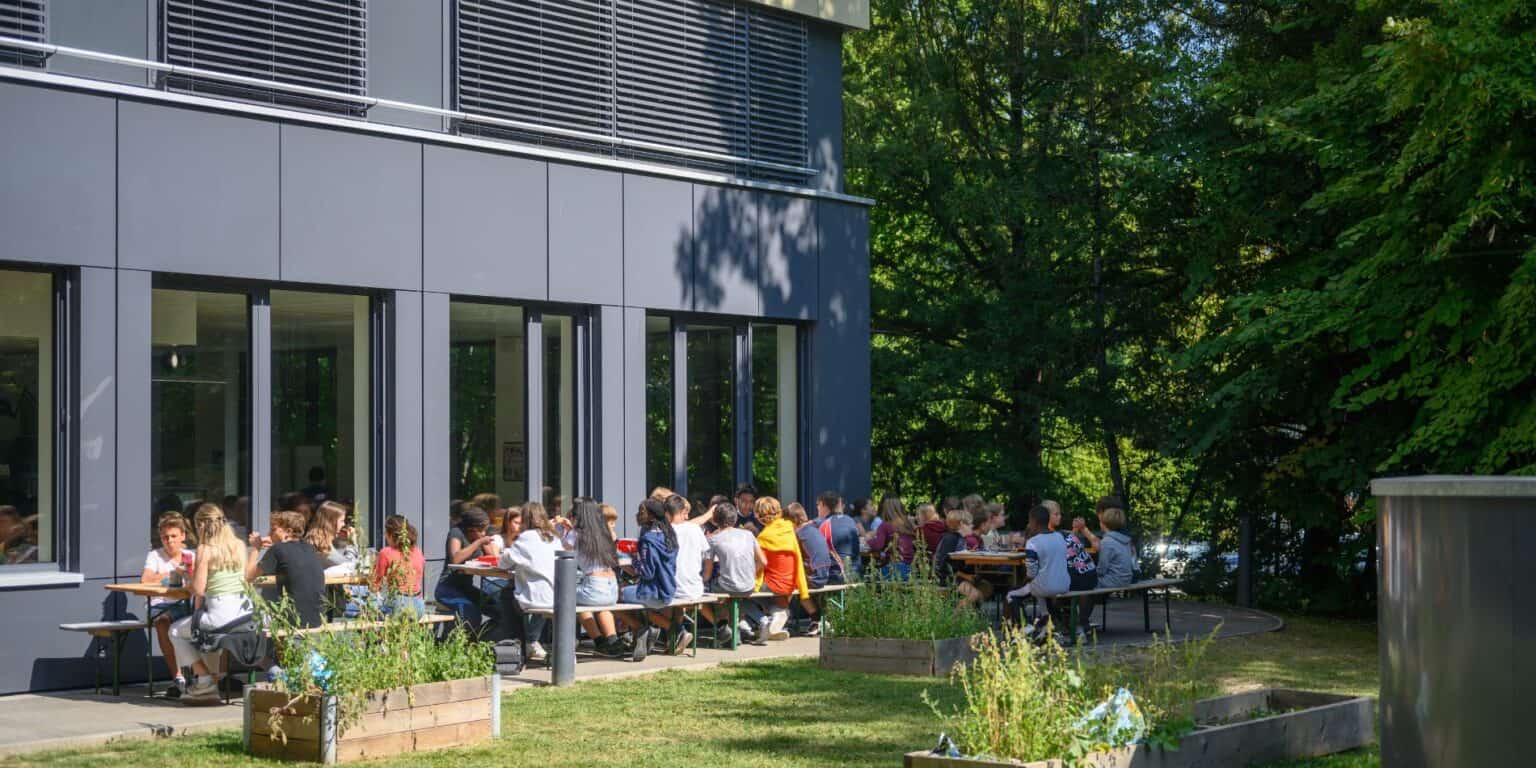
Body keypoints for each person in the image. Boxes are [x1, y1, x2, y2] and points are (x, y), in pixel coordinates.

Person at [168, 504, 250, 702]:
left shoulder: (205, 549)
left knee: (176, 631)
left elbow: (198, 589)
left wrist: (186, 574)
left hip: (219, 614)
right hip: (244, 613)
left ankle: (204, 680)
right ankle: (209, 680)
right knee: (207, 634)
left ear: (201, 525)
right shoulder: (238, 545)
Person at [616, 498, 678, 661]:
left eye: (641, 512)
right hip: (668, 591)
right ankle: (646, 631)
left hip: (652, 593)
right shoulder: (669, 535)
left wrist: (634, 557)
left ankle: (640, 629)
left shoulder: (648, 539)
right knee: (630, 593)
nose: (637, 515)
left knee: (615, 597)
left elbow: (647, 572)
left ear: (651, 516)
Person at [142, 512, 196, 697]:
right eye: (165, 537)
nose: (169, 541)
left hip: (185, 603)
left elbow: (198, 581)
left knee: (202, 621)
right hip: (161, 604)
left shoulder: (190, 555)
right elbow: (145, 580)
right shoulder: (155, 556)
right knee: (162, 621)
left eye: (173, 536)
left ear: (183, 536)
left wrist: (187, 574)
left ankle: (202, 676)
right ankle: (177, 676)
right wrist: (172, 573)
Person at [501, 502, 561, 663]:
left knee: (507, 597)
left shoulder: (526, 538)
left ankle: (519, 646)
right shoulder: (554, 537)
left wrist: (507, 552)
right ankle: (531, 641)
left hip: (536, 598)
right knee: (538, 602)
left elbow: (503, 564)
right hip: (557, 596)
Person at [247, 510, 326, 628]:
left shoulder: (278, 550)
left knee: (247, 621)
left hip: (292, 621)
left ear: (288, 532)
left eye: (273, 530)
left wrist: (255, 548)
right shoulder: (309, 548)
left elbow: (249, 575)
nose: (269, 533)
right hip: (317, 619)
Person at [701, 502, 766, 643]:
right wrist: (751, 573)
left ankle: (725, 629)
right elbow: (763, 561)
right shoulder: (748, 535)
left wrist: (702, 582)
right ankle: (736, 631)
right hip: (749, 584)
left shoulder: (712, 540)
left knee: (714, 592)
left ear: (716, 520)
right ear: (735, 518)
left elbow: (707, 572)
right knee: (732, 593)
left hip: (728, 586)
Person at [566, 500, 624, 657]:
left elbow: (562, 552)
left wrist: (558, 530)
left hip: (595, 587)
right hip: (612, 589)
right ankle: (613, 641)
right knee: (601, 604)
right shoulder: (605, 532)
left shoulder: (575, 534)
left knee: (568, 598)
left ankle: (599, 642)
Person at [1006, 505, 1071, 640]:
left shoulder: (1033, 542)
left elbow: (1032, 572)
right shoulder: (1060, 537)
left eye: (1029, 521)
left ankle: (1025, 626)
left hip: (1045, 585)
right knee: (1040, 590)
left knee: (1012, 594)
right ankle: (1048, 626)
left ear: (1033, 522)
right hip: (1064, 584)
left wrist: (1024, 581)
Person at [435, 507, 498, 633]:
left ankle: (482, 639)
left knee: (497, 608)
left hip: (466, 588)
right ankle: (457, 643)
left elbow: (493, 558)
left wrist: (486, 543)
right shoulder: (456, 532)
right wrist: (479, 542)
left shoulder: (478, 538)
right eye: (481, 530)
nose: (484, 533)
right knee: (472, 614)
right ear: (471, 528)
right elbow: (455, 558)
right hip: (448, 588)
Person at [754, 497, 808, 641]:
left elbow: (760, 565)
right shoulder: (789, 528)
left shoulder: (763, 537)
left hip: (774, 583)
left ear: (759, 517)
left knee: (743, 592)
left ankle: (766, 620)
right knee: (777, 597)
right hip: (791, 581)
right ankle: (777, 618)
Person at [787, 503, 837, 636]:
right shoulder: (813, 529)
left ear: (793, 521)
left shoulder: (799, 534)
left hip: (816, 577)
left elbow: (794, 557)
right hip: (826, 574)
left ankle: (784, 619)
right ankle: (817, 619)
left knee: (789, 584)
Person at [932, 509, 988, 610]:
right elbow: (943, 565)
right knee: (974, 595)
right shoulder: (951, 539)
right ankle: (953, 621)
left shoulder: (959, 538)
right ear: (962, 524)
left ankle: (968, 619)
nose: (972, 527)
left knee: (984, 588)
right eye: (970, 524)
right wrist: (966, 576)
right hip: (945, 578)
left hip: (954, 576)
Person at [370, 515, 426, 616]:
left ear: (390, 534)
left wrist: (374, 565)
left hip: (399, 606)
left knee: (355, 605)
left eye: (385, 532)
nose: (384, 535)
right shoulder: (418, 551)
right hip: (419, 607)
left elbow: (375, 585)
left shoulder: (386, 552)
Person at [1090, 502, 1138, 589]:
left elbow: (1102, 569)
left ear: (1103, 523)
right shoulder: (1125, 539)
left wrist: (1091, 574)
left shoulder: (1107, 541)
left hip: (1113, 581)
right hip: (1127, 580)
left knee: (1084, 584)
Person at [868, 496, 918, 579]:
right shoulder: (907, 524)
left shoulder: (885, 525)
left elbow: (878, 545)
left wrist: (868, 541)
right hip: (911, 569)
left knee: (868, 578)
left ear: (885, 510)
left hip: (893, 568)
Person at [817, 490, 861, 579]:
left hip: (837, 576)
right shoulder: (850, 520)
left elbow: (818, 555)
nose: (817, 508)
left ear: (823, 505)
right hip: (856, 573)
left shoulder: (824, 525)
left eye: (818, 505)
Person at [305, 501, 358, 569]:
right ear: (331, 522)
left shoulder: (316, 540)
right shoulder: (322, 545)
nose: (344, 524)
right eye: (341, 521)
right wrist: (352, 542)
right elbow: (347, 565)